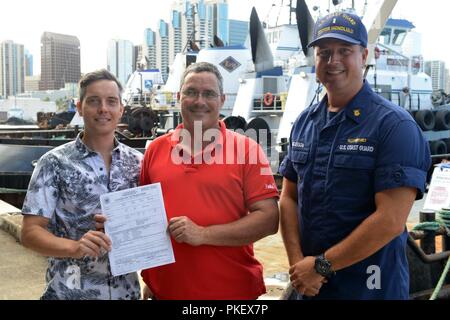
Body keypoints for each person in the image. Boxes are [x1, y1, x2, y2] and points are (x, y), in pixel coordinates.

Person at [279, 12, 431, 300]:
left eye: (344, 51)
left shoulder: (394, 126)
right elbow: (288, 197)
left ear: (364, 55)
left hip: (369, 290)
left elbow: (391, 219)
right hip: (310, 287)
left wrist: (320, 267)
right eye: (324, 52)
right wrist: (298, 265)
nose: (333, 60)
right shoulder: (304, 122)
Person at [139, 62, 279, 300]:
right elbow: (144, 216)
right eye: (191, 92)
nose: (199, 101)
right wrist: (151, 279)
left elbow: (269, 220)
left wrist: (203, 234)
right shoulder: (155, 150)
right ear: (179, 97)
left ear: (222, 99)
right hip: (165, 291)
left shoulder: (248, 150)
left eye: (209, 94)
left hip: (230, 292)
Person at [21, 69, 143, 300]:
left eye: (111, 101)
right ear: (79, 107)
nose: (103, 109)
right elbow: (30, 233)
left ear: (121, 110)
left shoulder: (138, 163)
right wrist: (74, 247)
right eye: (94, 101)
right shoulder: (54, 163)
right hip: (69, 293)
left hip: (126, 293)